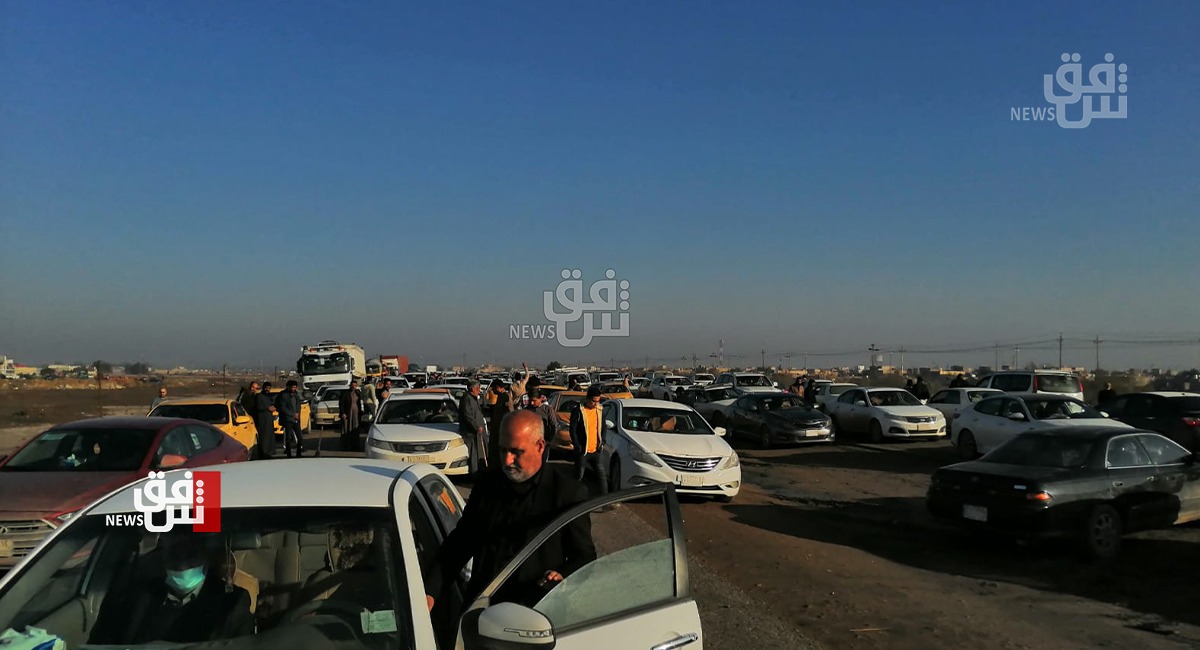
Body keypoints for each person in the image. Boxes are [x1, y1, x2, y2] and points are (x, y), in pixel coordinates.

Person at [425, 410, 596, 610]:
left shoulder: (567, 493)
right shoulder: (487, 486)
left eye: (516, 451)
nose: (507, 460)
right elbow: (460, 543)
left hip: (537, 613)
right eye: (502, 450)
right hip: (484, 610)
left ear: (540, 446)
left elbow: (584, 556)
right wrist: (430, 592)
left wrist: (562, 576)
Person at [89, 534, 253, 644]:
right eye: (174, 555)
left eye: (191, 555)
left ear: (206, 558)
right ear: (163, 559)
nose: (182, 565)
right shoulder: (137, 596)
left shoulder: (232, 602)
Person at [569, 385, 608, 499]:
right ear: (587, 399)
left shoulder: (600, 410)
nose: (595, 404)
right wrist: (577, 446)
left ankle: (605, 501)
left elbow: (603, 427)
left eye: (598, 401)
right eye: (593, 401)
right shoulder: (578, 411)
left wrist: (603, 441)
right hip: (583, 451)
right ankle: (572, 499)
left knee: (602, 476)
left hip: (596, 450)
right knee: (579, 476)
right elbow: (573, 430)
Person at [458, 379, 488, 473]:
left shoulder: (473, 398)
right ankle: (474, 472)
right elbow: (468, 415)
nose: (479, 390)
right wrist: (476, 426)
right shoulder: (467, 399)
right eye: (477, 388)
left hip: (477, 431)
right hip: (471, 432)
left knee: (480, 452)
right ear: (472, 389)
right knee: (474, 453)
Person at [524, 388, 558, 462]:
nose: (532, 403)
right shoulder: (526, 410)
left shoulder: (547, 410)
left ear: (540, 399)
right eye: (530, 400)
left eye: (534, 400)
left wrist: (549, 440)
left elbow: (554, 425)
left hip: (544, 443)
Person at [488, 382, 515, 467]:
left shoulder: (505, 396)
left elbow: (509, 410)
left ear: (498, 387)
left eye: (494, 388)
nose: (493, 390)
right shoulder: (499, 396)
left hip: (501, 425)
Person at [275, 380, 305, 457]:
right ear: (288, 387)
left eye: (295, 387)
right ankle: (289, 453)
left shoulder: (296, 395)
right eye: (293, 387)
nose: (294, 389)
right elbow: (283, 408)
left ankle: (299, 452)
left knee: (300, 437)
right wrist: (292, 414)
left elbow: (298, 405)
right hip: (287, 419)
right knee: (288, 438)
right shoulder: (283, 395)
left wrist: (297, 413)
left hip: (296, 419)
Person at [249, 382, 276, 459]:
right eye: (266, 388)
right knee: (264, 437)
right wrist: (267, 409)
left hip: (268, 419)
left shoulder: (267, 397)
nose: (268, 389)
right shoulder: (259, 396)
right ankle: (264, 453)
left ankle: (268, 452)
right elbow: (258, 407)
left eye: (269, 388)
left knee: (269, 437)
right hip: (262, 420)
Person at [339, 380, 363, 452]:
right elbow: (341, 404)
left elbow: (360, 403)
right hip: (347, 414)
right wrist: (343, 413)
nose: (354, 387)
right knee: (346, 430)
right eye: (352, 385)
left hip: (356, 415)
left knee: (355, 430)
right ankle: (346, 446)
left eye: (355, 386)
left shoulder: (358, 393)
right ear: (350, 386)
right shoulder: (345, 394)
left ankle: (355, 446)